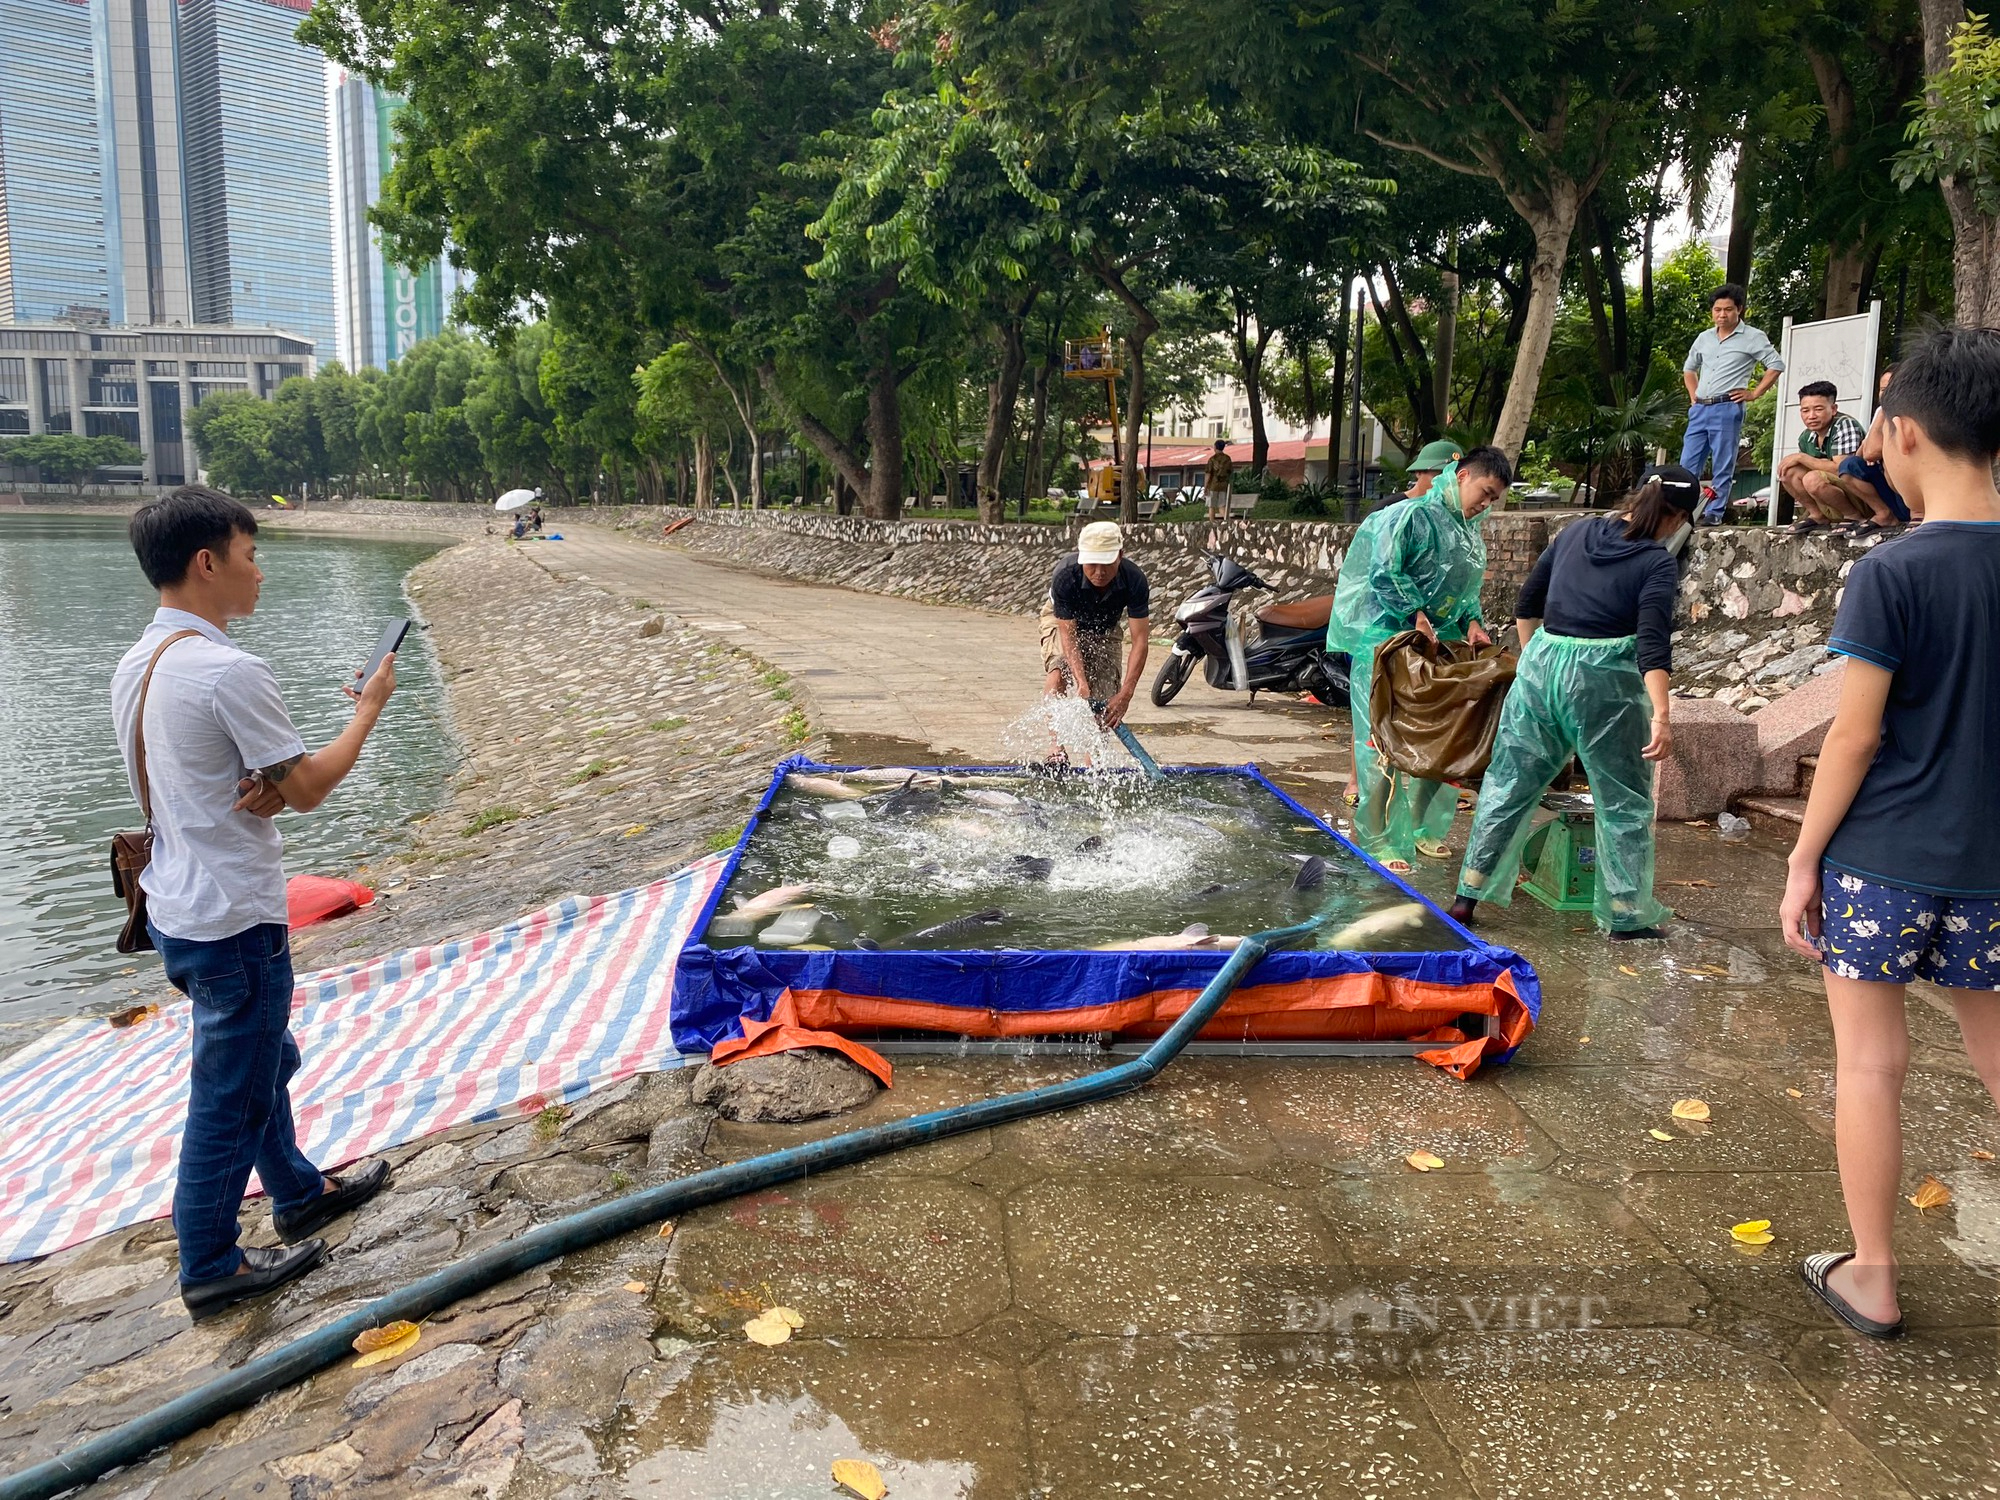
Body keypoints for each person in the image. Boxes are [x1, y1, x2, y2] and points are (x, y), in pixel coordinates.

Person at [112, 487, 395, 1320]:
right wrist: (370, 707)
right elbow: (307, 789)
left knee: (261, 1061)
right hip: (233, 918)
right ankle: (209, 1263)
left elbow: (188, 776)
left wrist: (262, 785)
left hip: (177, 907)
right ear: (207, 562)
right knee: (231, 1092)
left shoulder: (143, 661)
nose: (258, 572)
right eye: (249, 553)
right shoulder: (228, 669)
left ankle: (298, 1192)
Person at [1777, 327, 2000, 1340]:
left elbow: (1855, 737)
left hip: (1880, 863)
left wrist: (1800, 857)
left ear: (1901, 435)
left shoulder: (1892, 573)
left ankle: (1870, 1276)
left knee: (1868, 1065)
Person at [1448, 465, 1697, 940]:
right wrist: (1662, 716)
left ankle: (1468, 895)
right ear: (1678, 519)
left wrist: (1533, 660)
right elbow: (1652, 645)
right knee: (1622, 799)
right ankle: (1625, 913)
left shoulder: (1575, 531)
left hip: (1541, 666)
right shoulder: (1656, 561)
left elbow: (1528, 602)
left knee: (1508, 785)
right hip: (1605, 682)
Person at [1326, 446, 1510, 874]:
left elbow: (1464, 592)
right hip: (1389, 643)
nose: (1485, 503)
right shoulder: (1409, 516)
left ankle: (1427, 830)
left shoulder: (1469, 532)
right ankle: (1381, 837)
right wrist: (1416, 613)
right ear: (1461, 475)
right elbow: (1385, 572)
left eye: (1494, 499)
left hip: (1438, 647)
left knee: (1444, 739)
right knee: (1381, 742)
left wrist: (1472, 622)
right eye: (1484, 491)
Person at [1681, 283, 1784, 524]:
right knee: (1688, 463)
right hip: (1700, 407)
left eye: (1728, 309)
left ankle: (1713, 513)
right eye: (1717, 310)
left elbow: (1775, 365)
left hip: (1727, 406)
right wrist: (1693, 395)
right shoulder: (1704, 338)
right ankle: (1680, 510)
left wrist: (1755, 393)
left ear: (1739, 310)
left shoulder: (1753, 337)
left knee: (1722, 462)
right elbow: (1689, 368)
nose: (1722, 315)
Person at [1040, 519, 1151, 729]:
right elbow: (1068, 635)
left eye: (1106, 563)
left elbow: (1140, 640)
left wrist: (1126, 694)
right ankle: (1056, 750)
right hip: (1062, 622)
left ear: (1120, 555)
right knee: (1058, 673)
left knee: (1108, 702)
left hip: (1105, 627)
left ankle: (1095, 759)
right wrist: (1081, 682)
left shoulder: (1134, 580)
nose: (1099, 572)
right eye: (1092, 564)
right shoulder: (1065, 576)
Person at [1778, 381, 1889, 535]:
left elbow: (1842, 468)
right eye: (1805, 410)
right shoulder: (1806, 436)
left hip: (1864, 495)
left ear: (1834, 409)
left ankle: (1854, 517)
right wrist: (1817, 463)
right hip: (1835, 495)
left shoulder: (1845, 425)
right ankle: (1817, 515)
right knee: (1788, 472)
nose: (1811, 416)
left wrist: (1803, 458)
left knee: (1812, 478)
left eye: (1818, 409)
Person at [1831, 367, 1914, 532]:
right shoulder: (1881, 412)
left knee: (1891, 465)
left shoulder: (1914, 412)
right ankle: (1884, 514)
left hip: (1911, 491)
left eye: (1892, 389)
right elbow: (1864, 453)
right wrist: (1883, 412)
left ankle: (1917, 514)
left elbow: (1872, 452)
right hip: (1890, 489)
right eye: (1883, 390)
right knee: (1849, 465)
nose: (1886, 394)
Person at [1394, 439, 1463, 505]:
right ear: (1418, 472)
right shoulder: (1393, 508)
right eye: (1440, 475)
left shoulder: (1457, 511)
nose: (1448, 483)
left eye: (1453, 477)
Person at [1203, 439, 1234, 521]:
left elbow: (1208, 473)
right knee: (1221, 505)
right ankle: (1227, 521)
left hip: (1213, 485)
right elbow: (1230, 471)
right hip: (1223, 485)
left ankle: (1212, 522)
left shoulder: (1212, 459)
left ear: (1215, 447)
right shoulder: (1227, 459)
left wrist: (1205, 487)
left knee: (1211, 506)